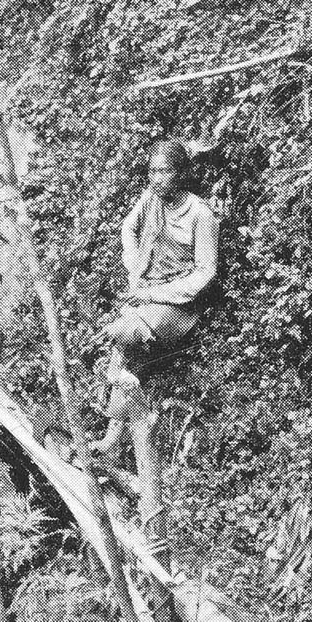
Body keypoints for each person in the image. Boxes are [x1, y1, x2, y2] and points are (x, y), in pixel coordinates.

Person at [93, 139, 219, 457]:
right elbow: (129, 228)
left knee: (121, 335)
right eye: (152, 172)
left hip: (178, 305)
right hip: (145, 292)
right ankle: (113, 438)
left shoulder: (200, 215)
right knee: (127, 360)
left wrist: (156, 293)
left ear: (180, 174)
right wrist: (134, 263)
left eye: (163, 172)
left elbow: (205, 274)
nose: (155, 179)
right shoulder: (151, 198)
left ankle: (127, 418)